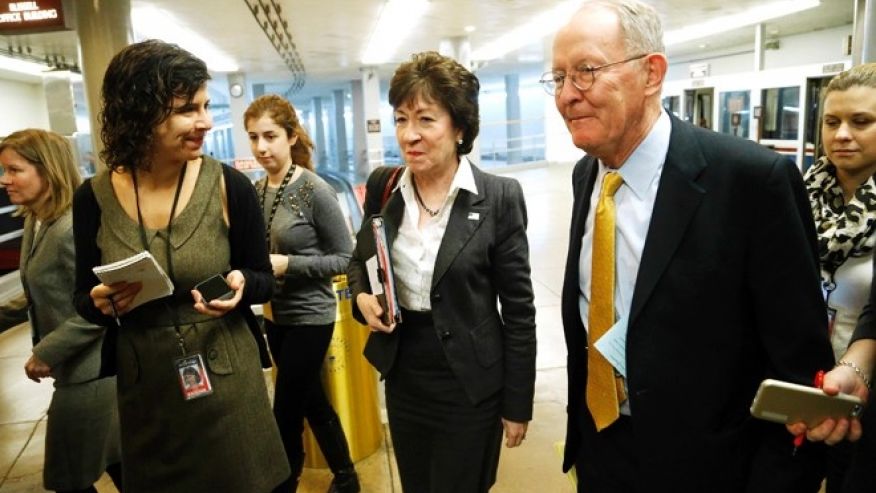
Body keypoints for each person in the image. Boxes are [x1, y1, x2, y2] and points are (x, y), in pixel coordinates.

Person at [549, 1, 834, 492]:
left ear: (651, 73)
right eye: (557, 78)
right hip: (602, 450)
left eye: (586, 72)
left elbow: (798, 370)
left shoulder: (751, 182)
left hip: (711, 467)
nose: (567, 96)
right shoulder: (587, 177)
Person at [71, 40, 289, 493]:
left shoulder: (229, 186)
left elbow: (264, 279)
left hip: (226, 382)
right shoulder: (92, 198)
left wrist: (243, 284)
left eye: (206, 106)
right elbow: (82, 297)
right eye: (188, 109)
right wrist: (99, 302)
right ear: (140, 113)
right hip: (145, 390)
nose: (206, 122)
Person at [347, 51, 536, 493]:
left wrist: (517, 402)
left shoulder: (499, 198)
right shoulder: (385, 187)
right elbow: (360, 260)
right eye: (400, 119)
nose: (409, 135)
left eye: (426, 120)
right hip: (405, 377)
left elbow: (520, 312)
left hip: (469, 385)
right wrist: (361, 298)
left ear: (460, 128)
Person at [244, 94, 359, 493]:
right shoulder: (256, 190)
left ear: (291, 136)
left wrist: (288, 265)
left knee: (286, 410)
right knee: (312, 400)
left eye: (270, 136)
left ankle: (283, 483)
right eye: (254, 137)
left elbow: (345, 257)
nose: (261, 147)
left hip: (312, 316)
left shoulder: (314, 190)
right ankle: (346, 476)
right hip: (275, 317)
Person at [0, 129, 122, 493]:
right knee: (122, 468)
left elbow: (105, 302)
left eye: (14, 170)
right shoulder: (38, 220)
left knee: (67, 476)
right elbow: (44, 292)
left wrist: (46, 350)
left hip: (95, 371)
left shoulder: (71, 228)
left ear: (47, 169)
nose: (5, 180)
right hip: (78, 371)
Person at [786, 63, 876, 493]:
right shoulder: (797, 194)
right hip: (805, 385)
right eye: (832, 121)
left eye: (861, 122)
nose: (842, 134)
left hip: (864, 390)